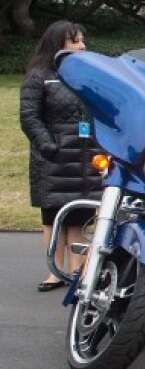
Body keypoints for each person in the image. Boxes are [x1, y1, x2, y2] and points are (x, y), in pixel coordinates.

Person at [18, 21, 100, 292]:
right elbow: (30, 117)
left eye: (82, 40)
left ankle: (77, 271)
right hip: (53, 158)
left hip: (86, 156)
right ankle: (55, 271)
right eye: (75, 41)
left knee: (79, 215)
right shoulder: (39, 75)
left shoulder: (87, 74)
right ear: (59, 43)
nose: (82, 46)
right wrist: (48, 146)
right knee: (53, 217)